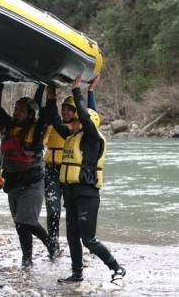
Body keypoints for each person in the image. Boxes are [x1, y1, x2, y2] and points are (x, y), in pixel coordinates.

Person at [46, 76, 126, 283]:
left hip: (87, 194)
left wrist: (77, 90)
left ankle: (116, 267)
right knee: (72, 236)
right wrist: (51, 97)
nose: (71, 123)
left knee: (88, 239)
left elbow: (84, 113)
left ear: (84, 124)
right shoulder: (71, 137)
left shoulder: (92, 137)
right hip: (71, 192)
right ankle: (77, 274)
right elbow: (55, 121)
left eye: (76, 121)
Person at [0, 81, 58, 268]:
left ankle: (30, 258)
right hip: (12, 183)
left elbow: (47, 114)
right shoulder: (6, 126)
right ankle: (45, 248)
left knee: (25, 221)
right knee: (22, 224)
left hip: (33, 183)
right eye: (16, 108)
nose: (16, 112)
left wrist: (44, 88)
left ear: (30, 114)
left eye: (21, 110)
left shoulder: (37, 129)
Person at [43, 75, 100, 250]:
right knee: (53, 209)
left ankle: (79, 245)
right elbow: (52, 115)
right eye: (64, 109)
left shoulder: (83, 134)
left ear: (76, 114)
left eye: (70, 110)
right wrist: (51, 96)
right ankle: (53, 243)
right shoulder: (60, 128)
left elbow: (90, 113)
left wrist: (89, 91)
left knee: (72, 214)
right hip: (53, 170)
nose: (66, 112)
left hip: (71, 177)